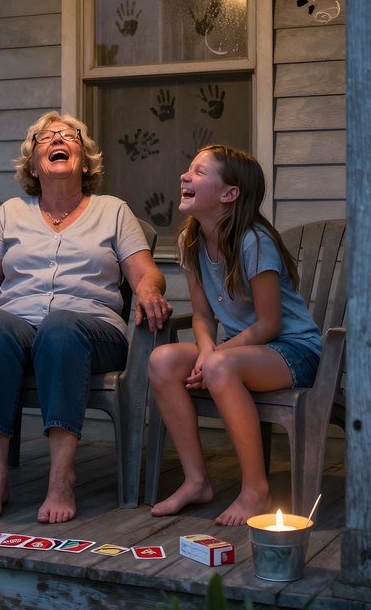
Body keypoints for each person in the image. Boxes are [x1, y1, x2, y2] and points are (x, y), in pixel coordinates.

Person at [0, 111, 170, 524]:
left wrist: (148, 288)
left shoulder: (113, 210)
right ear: (34, 164)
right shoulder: (11, 214)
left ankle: (61, 479)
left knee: (60, 328)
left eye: (69, 135)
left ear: (85, 160)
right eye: (45, 137)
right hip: (20, 325)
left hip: (93, 332)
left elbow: (146, 272)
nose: (58, 139)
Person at [148, 144, 322, 526]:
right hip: (241, 353)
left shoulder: (253, 241)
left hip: (293, 353)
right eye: (188, 169)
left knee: (221, 366)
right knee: (162, 360)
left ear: (229, 194)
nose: (185, 176)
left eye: (199, 171)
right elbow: (202, 315)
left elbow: (269, 324)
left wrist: (215, 357)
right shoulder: (190, 241)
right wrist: (207, 350)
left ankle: (255, 488)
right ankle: (196, 481)